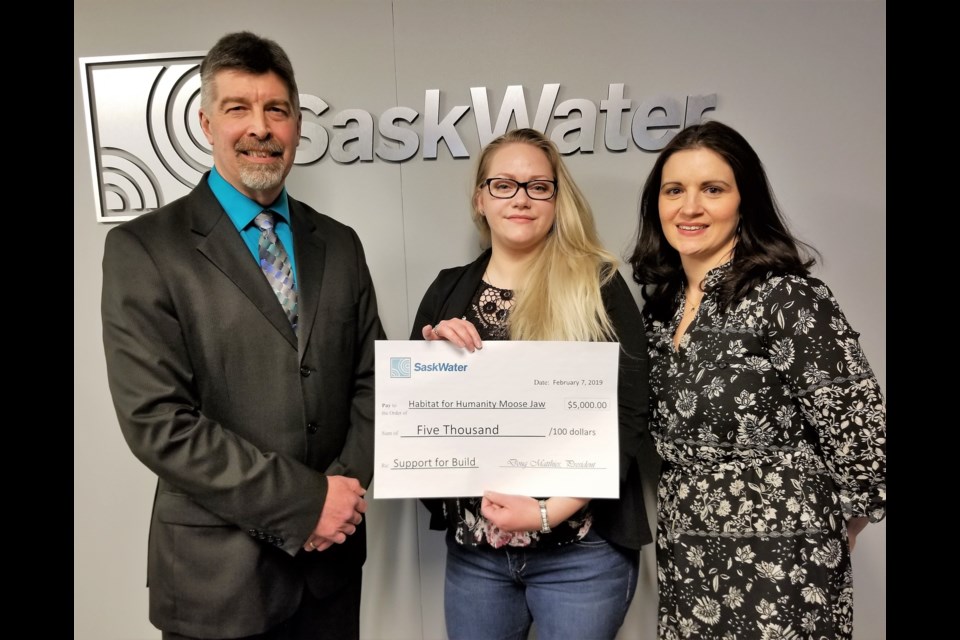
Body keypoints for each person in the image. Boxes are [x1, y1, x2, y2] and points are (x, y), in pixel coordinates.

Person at [101, 31, 384, 640]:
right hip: (217, 584)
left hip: (330, 576)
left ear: (298, 125)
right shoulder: (144, 250)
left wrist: (344, 494)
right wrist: (307, 503)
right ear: (206, 123)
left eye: (276, 109)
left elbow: (372, 382)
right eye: (238, 109)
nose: (260, 127)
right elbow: (158, 422)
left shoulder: (339, 244)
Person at [627, 120, 886, 639]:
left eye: (713, 189)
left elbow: (859, 426)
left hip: (781, 553)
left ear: (745, 202)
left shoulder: (789, 298)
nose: (690, 207)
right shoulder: (660, 310)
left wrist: (848, 516)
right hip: (688, 546)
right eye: (674, 190)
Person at [410, 127, 653, 640]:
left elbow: (629, 412)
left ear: (556, 198)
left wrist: (548, 511)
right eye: (503, 184)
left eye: (538, 186)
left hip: (581, 553)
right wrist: (432, 364)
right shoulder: (446, 290)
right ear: (480, 198)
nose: (521, 198)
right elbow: (416, 422)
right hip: (478, 556)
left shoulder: (598, 285)